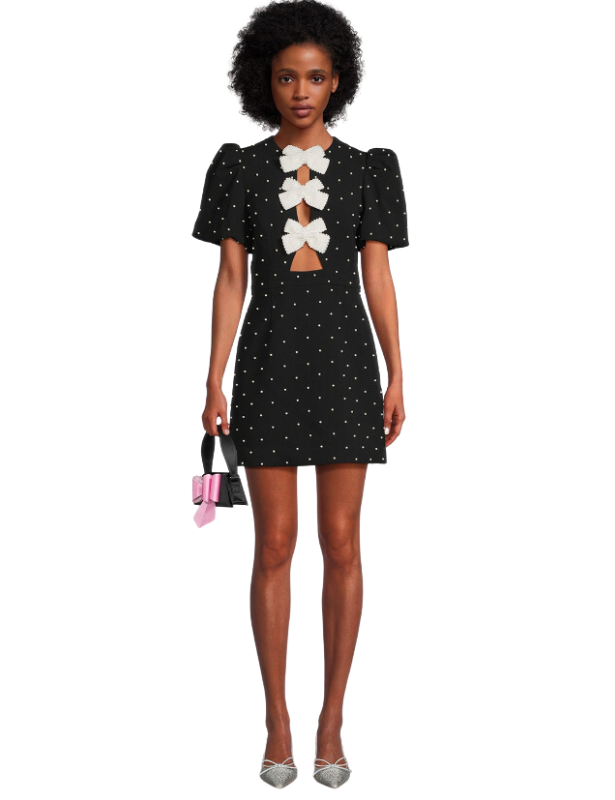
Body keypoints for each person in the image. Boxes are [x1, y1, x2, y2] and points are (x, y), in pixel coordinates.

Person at [191, 0, 409, 788]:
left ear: (337, 80)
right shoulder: (238, 167)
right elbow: (230, 277)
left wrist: (397, 370)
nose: (302, 91)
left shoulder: (371, 168)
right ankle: (277, 720)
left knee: (342, 544)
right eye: (287, 77)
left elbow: (378, 274)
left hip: (346, 366)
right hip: (268, 366)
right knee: (273, 546)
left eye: (315, 77)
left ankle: (332, 719)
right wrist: (213, 375)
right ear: (266, 81)